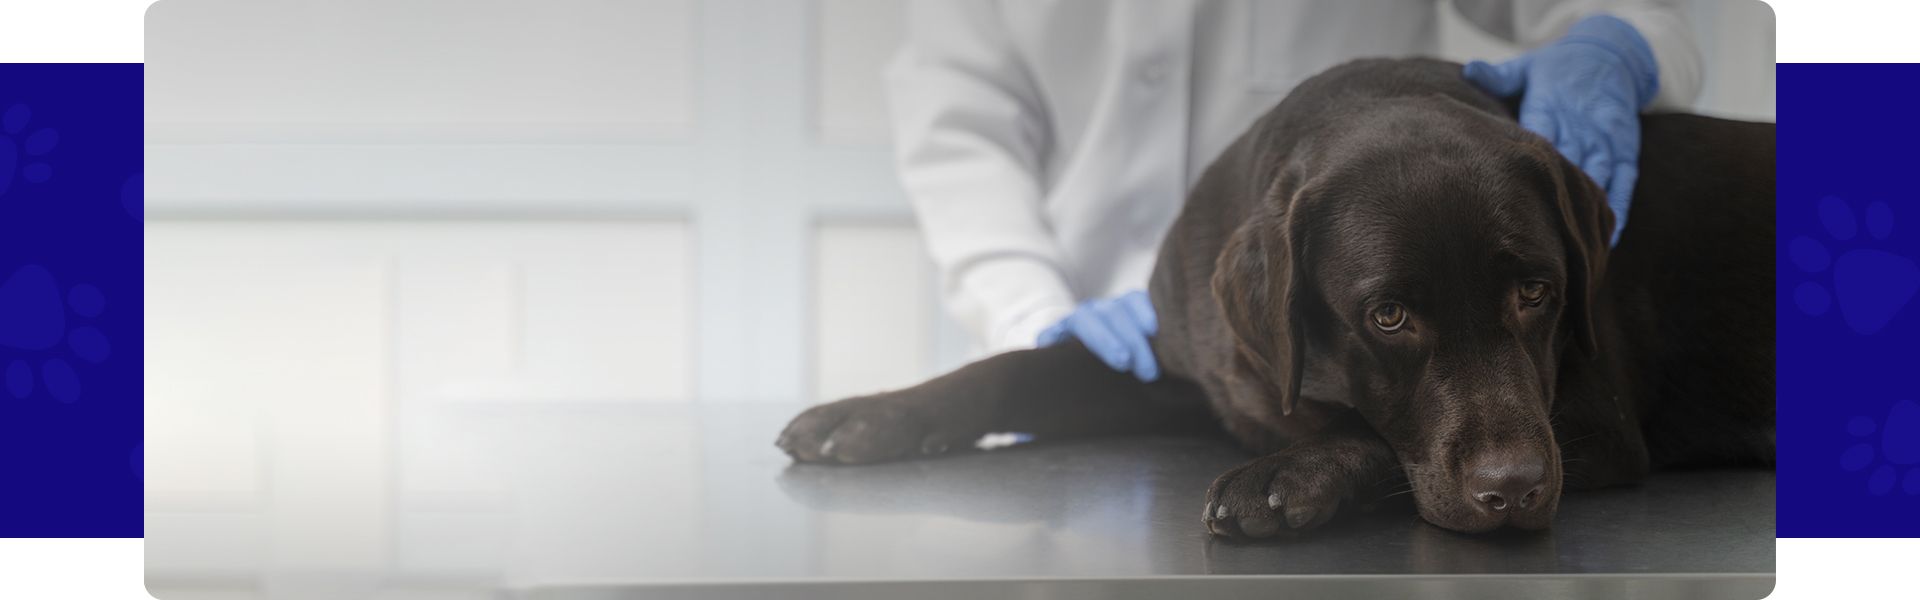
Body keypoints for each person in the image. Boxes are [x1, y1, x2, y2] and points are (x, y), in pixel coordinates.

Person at [886, 0, 1702, 381]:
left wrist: (1615, 36)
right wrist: (1031, 317)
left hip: (1349, 369)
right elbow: (960, 124)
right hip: (1090, 341)